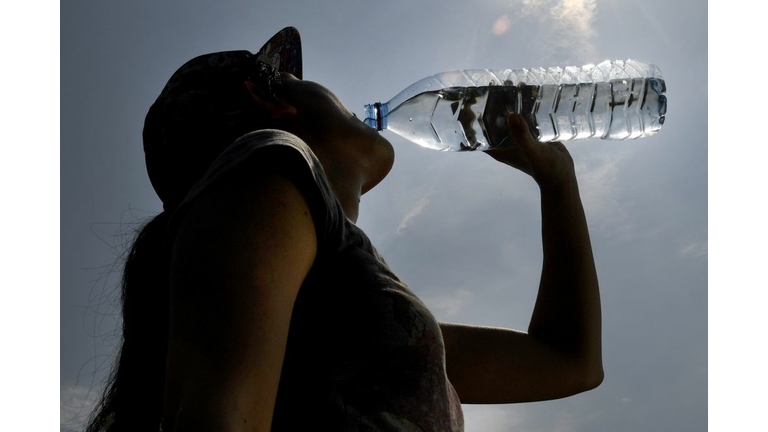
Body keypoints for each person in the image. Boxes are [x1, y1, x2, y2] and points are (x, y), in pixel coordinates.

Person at [86, 27, 603, 432]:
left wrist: (557, 182)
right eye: (299, 79)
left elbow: (569, 364)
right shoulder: (269, 168)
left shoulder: (362, 315)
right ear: (270, 102)